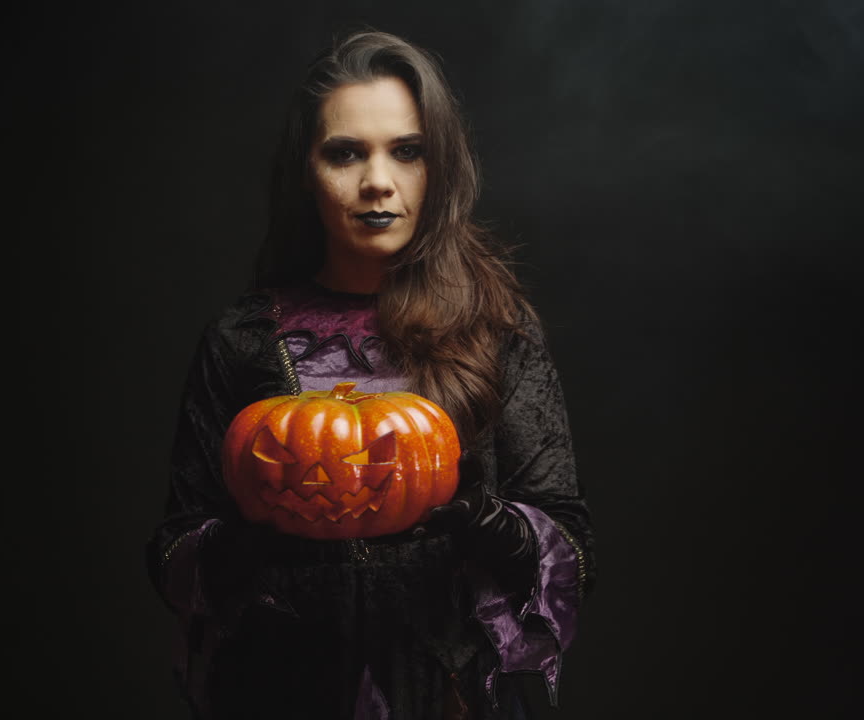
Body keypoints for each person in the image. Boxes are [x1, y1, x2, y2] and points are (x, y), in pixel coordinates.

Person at [145, 29, 595, 720]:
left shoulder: (497, 332)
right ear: (307, 171)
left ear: (438, 166)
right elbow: (174, 549)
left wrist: (494, 525)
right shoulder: (241, 339)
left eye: (407, 151)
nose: (377, 181)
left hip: (452, 695)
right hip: (279, 693)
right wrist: (238, 547)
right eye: (345, 152)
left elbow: (569, 542)